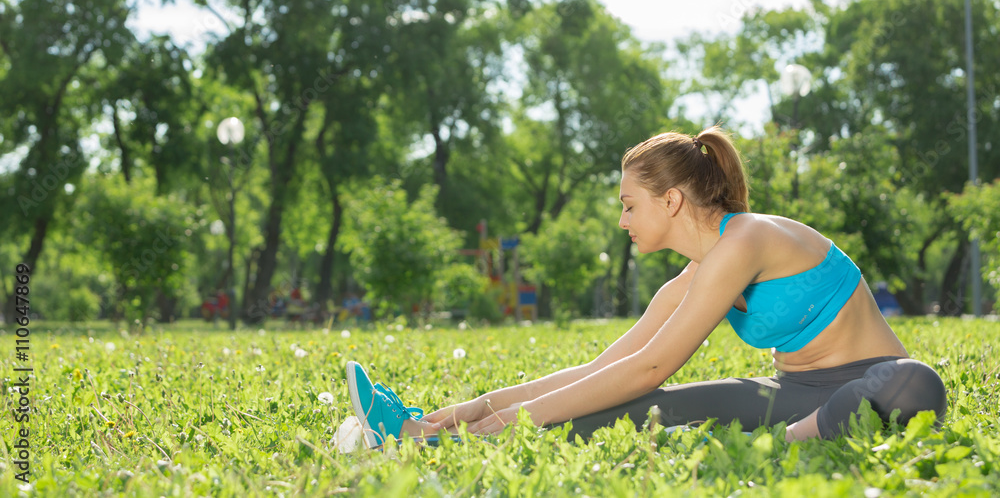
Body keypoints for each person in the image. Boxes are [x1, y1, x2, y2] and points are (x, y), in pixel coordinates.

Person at [346, 127, 946, 447]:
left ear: (672, 200)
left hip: (864, 384)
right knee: (642, 413)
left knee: (915, 382)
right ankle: (417, 435)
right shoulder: (692, 277)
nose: (623, 220)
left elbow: (648, 367)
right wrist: (468, 411)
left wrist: (503, 424)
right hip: (796, 389)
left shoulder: (747, 241)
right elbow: (604, 369)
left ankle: (790, 442)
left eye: (629, 205)